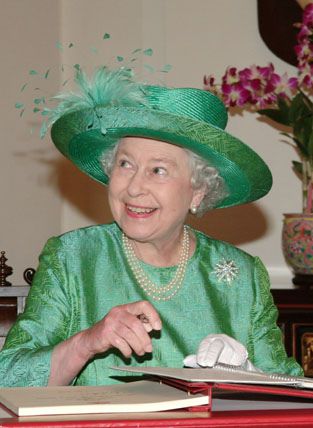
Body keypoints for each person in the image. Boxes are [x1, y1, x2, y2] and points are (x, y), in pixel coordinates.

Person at [0, 66, 303, 387]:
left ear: (198, 189)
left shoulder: (243, 279)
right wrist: (86, 342)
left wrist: (249, 373)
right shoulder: (72, 258)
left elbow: (293, 393)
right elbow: (7, 379)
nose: (133, 188)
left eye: (158, 170)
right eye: (125, 164)